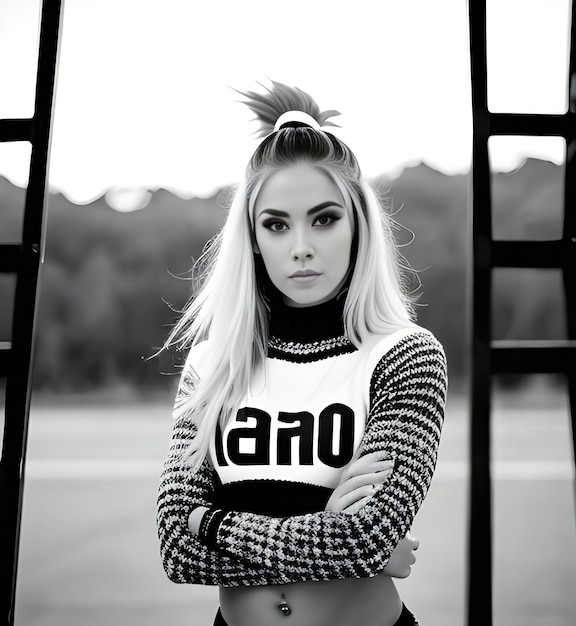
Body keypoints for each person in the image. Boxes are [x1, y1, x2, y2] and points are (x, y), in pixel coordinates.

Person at [157, 80, 447, 626]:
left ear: (358, 223)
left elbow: (365, 540)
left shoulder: (405, 354)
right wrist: (327, 534)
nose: (301, 247)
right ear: (253, 237)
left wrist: (215, 524)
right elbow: (176, 546)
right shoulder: (211, 364)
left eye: (324, 218)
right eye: (276, 224)